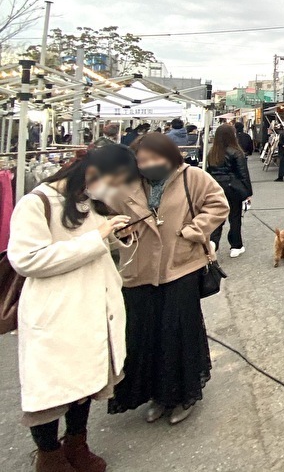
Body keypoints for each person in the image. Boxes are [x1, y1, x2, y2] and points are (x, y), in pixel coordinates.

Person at [7, 145, 138, 472]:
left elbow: (94, 246)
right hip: (56, 313)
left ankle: (77, 443)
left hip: (93, 308)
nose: (113, 190)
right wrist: (97, 238)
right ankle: (48, 456)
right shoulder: (36, 202)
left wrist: (116, 236)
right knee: (51, 391)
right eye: (114, 181)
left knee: (86, 383)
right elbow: (26, 259)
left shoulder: (86, 202)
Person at [107, 133, 228, 426]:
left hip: (180, 265)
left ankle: (183, 394)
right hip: (140, 269)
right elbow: (109, 218)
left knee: (178, 332)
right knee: (145, 334)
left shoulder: (192, 177)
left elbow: (218, 205)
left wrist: (195, 229)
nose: (147, 165)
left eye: (154, 158)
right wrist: (119, 232)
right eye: (142, 160)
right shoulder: (127, 183)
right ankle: (156, 395)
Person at [205, 124, 253, 257]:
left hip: (215, 188)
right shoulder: (236, 152)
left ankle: (213, 243)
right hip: (233, 187)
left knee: (217, 217)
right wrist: (248, 193)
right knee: (235, 217)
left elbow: (208, 171)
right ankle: (236, 246)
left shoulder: (212, 152)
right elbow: (243, 173)